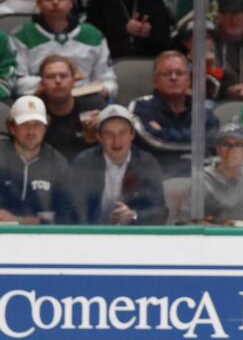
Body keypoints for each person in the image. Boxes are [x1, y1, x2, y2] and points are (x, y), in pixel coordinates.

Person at [12, 0, 118, 98]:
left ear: (71, 3)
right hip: (40, 99)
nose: (55, 2)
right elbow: (17, 82)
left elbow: (109, 82)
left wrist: (103, 89)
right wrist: (54, 83)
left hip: (85, 98)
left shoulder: (94, 35)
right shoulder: (22, 35)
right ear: (39, 3)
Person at [66, 103, 165, 225]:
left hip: (132, 238)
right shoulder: (84, 163)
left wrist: (134, 216)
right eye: (109, 134)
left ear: (132, 134)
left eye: (122, 133)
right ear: (99, 136)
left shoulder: (146, 163)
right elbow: (69, 209)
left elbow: (159, 211)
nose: (116, 140)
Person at [128, 50, 219, 176]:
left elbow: (212, 141)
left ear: (188, 80)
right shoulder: (141, 107)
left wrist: (163, 132)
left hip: (199, 179)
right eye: (166, 74)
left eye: (179, 73)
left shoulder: (203, 110)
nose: (173, 77)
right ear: (155, 81)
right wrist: (195, 139)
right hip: (157, 178)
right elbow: (154, 143)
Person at [0, 94, 69, 224]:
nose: (31, 131)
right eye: (24, 124)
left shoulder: (58, 164)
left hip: (44, 239)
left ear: (45, 128)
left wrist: (20, 221)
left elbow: (66, 216)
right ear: (12, 128)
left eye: (37, 124)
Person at [187, 123, 243, 225]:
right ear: (218, 149)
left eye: (238, 145)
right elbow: (187, 222)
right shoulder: (201, 179)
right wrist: (221, 228)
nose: (231, 150)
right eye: (225, 144)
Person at [38, 54, 104, 161]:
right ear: (42, 83)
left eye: (63, 76)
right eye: (51, 77)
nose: (58, 81)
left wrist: (106, 124)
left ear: (74, 81)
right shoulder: (35, 111)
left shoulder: (93, 105)